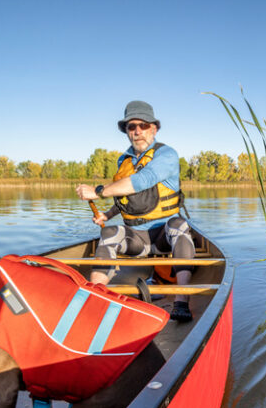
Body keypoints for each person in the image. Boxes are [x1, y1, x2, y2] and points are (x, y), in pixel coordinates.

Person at [75, 100, 194, 322]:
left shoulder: (166, 155)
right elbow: (125, 197)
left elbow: (142, 181)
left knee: (179, 226)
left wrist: (98, 191)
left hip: (163, 237)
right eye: (132, 126)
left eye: (143, 125)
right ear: (127, 132)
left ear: (154, 128)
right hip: (137, 239)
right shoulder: (124, 159)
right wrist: (107, 216)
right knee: (109, 232)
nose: (138, 131)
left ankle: (181, 301)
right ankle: (95, 298)